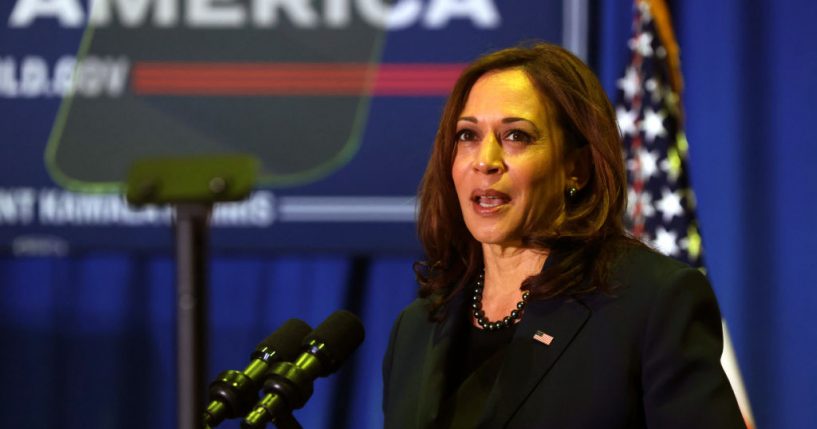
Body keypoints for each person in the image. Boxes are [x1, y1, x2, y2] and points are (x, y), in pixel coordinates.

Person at [381, 43, 745, 429]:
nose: (485, 161)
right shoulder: (416, 328)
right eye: (467, 135)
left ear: (577, 167)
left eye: (516, 136)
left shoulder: (650, 303)